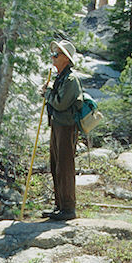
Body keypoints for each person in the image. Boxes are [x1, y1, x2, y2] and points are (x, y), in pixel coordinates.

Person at [41, 39, 83, 220]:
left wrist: (48, 93)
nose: (53, 57)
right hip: (57, 126)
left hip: (66, 127)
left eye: (56, 54)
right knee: (55, 164)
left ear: (66, 58)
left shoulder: (71, 80)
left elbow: (60, 103)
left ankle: (68, 208)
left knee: (65, 166)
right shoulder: (61, 78)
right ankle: (59, 205)